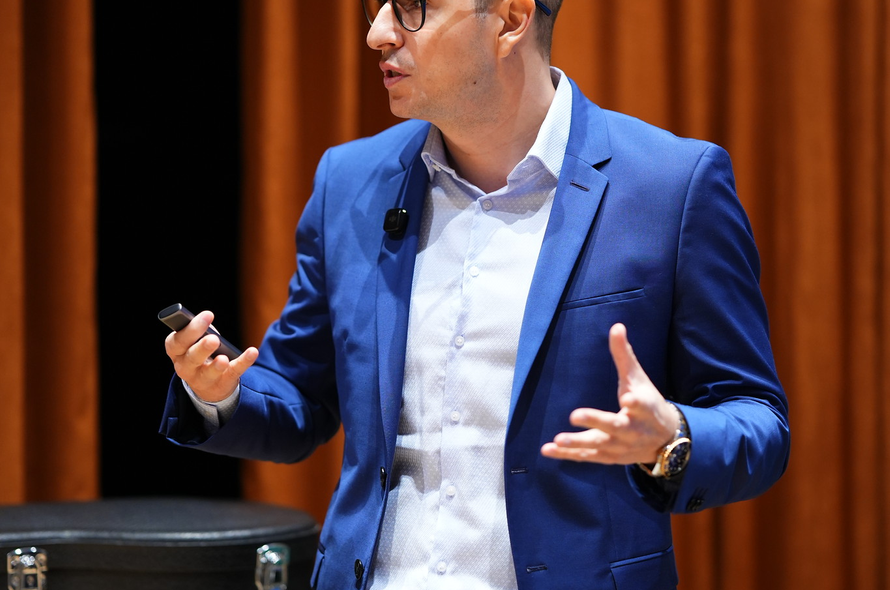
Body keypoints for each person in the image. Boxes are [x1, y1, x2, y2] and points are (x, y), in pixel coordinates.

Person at [160, 0, 791, 588]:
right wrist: (220, 394)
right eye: (379, 5)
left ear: (511, 19)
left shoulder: (670, 186)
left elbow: (757, 418)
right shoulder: (350, 182)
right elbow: (298, 396)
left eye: (414, 6)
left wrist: (673, 437)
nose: (377, 33)